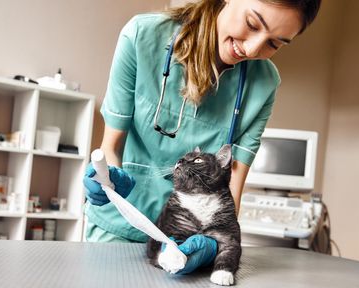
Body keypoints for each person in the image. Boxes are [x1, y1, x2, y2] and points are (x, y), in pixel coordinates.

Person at [83, 0, 321, 273]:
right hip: (121, 224)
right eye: (252, 24)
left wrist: (214, 244)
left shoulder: (264, 83)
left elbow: (233, 189)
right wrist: (108, 178)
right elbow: (111, 147)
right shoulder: (141, 36)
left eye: (274, 44)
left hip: (187, 238)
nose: (253, 49)